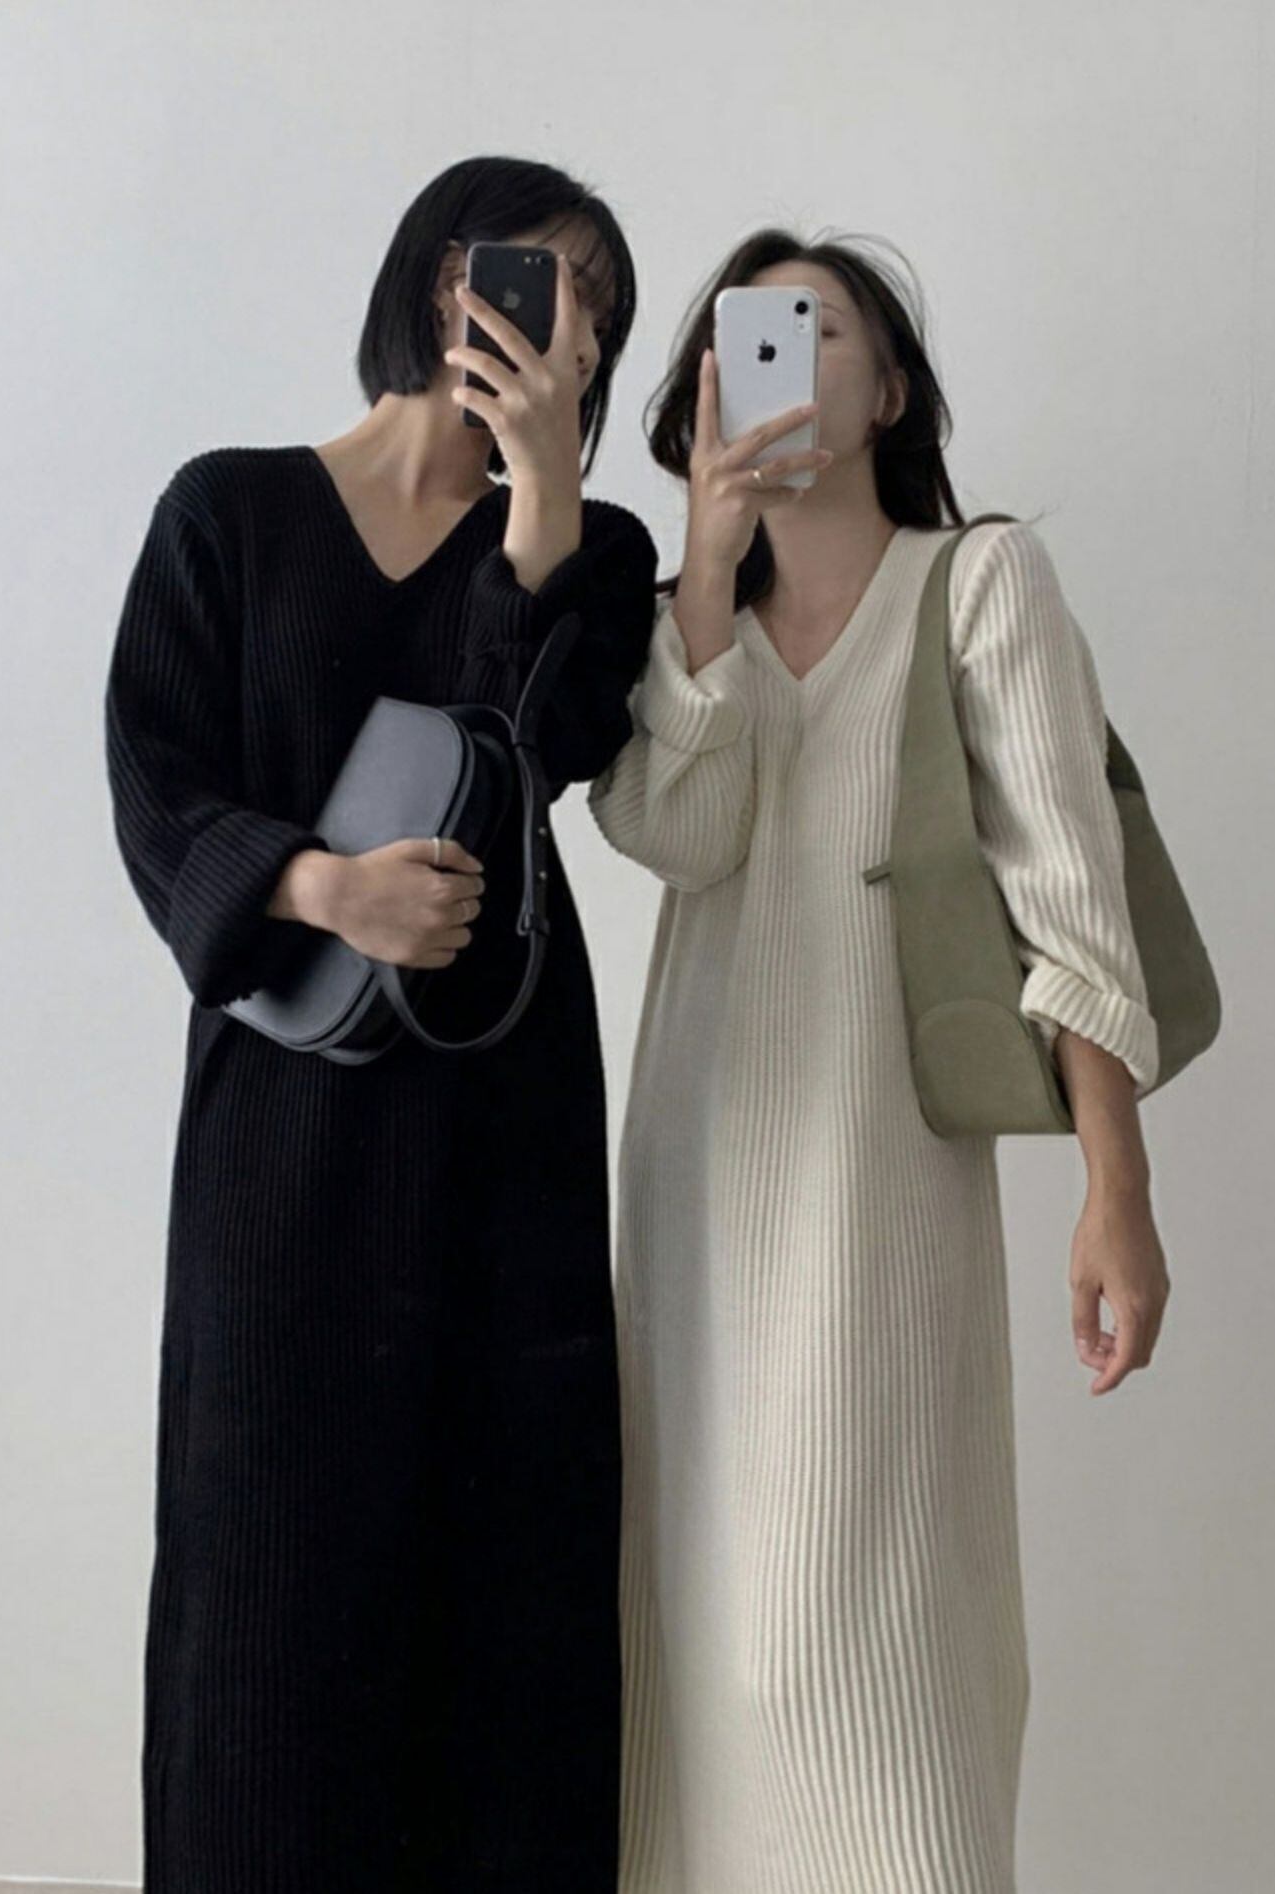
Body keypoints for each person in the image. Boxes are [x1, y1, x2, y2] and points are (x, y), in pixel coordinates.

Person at [588, 230, 1171, 1893]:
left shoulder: (975, 583)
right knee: (698, 1626)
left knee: (875, 1633)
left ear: (890, 388)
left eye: (821, 327)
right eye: (748, 333)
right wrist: (706, 568)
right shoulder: (677, 623)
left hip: (880, 1180)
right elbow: (680, 834)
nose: (782, 353)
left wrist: (1114, 1190)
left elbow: (1070, 898)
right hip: (701, 1163)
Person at [104, 155, 658, 1892]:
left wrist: (542, 501)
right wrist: (321, 887)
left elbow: (529, 755)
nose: (568, 328)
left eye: (599, 310)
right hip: (287, 1134)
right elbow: (154, 783)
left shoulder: (598, 551)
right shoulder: (230, 511)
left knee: (511, 1585)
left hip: (502, 1123)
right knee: (266, 1587)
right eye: (543, 281)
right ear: (442, 280)